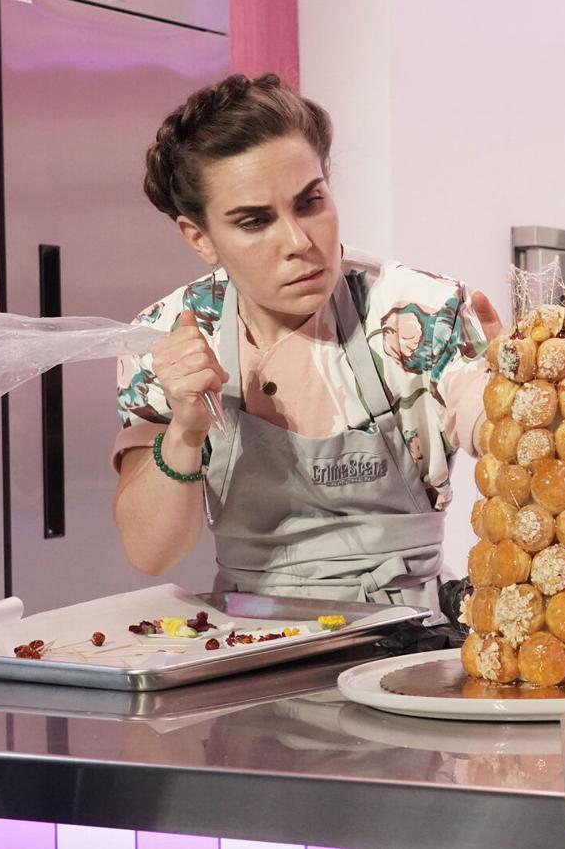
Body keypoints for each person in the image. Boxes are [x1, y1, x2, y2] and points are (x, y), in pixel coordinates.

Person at [112, 73, 499, 611]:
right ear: (199, 238)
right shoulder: (166, 339)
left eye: (310, 202)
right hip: (251, 640)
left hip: (409, 637)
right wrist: (185, 428)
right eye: (255, 222)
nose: (299, 242)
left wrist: (517, 396)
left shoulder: (417, 312)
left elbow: (494, 427)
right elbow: (150, 551)